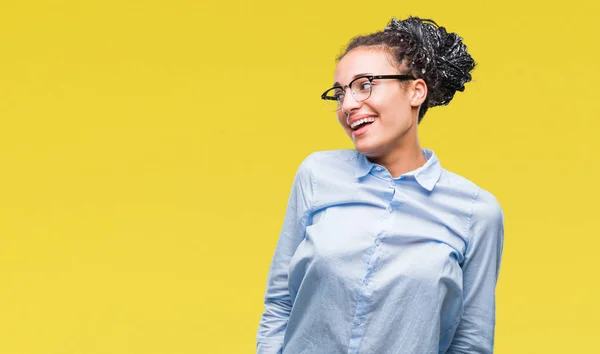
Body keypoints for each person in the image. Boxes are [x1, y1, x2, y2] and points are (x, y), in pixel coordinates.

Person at [256, 16, 504, 354]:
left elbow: (470, 342)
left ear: (416, 91)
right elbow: (280, 302)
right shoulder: (317, 175)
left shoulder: (476, 212)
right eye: (340, 93)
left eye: (364, 84)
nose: (348, 105)